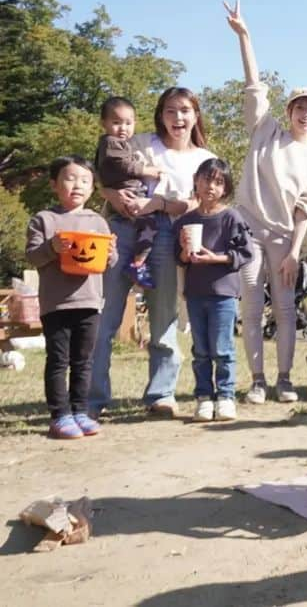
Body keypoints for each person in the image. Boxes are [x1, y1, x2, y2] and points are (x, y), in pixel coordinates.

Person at [224, 1, 307, 405]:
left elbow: (306, 207)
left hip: (286, 238)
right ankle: (257, 380)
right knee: (251, 305)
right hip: (248, 228)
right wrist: (245, 36)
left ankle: (285, 379)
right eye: (299, 107)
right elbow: (253, 85)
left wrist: (294, 253)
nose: (305, 114)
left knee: (285, 309)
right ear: (288, 111)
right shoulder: (265, 131)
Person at [89, 87, 217, 419]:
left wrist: (157, 203)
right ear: (161, 115)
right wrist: (112, 196)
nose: (178, 118)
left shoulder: (203, 159)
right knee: (105, 314)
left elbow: (198, 202)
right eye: (171, 111)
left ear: (195, 115)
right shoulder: (140, 141)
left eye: (185, 111)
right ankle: (92, 397)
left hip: (164, 232)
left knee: (163, 317)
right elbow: (103, 173)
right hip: (119, 226)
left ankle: (161, 394)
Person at [26, 156, 118, 438]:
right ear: (54, 184)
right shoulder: (44, 220)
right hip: (56, 304)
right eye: (70, 178)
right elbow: (32, 257)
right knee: (58, 360)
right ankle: (60, 415)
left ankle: (81, 410)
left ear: (92, 188)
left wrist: (111, 251)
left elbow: (108, 263)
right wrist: (53, 246)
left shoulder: (98, 221)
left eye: (85, 180)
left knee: (83, 361)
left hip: (90, 302)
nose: (77, 185)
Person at [175, 158, 252, 422]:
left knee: (222, 348)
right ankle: (204, 397)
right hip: (195, 292)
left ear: (226, 188)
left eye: (219, 182)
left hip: (224, 294)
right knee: (201, 349)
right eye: (207, 179)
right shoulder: (186, 220)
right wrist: (186, 252)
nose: (211, 186)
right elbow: (179, 258)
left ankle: (226, 396)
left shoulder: (231, 217)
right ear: (196, 180)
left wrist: (216, 258)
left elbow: (245, 253)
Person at [93, 96, 167, 288]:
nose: (123, 128)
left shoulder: (116, 143)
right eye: (116, 122)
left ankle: (137, 263)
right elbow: (123, 165)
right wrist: (146, 170)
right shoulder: (110, 142)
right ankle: (138, 264)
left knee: (146, 225)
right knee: (149, 226)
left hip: (126, 192)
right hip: (128, 193)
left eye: (128, 123)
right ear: (104, 123)